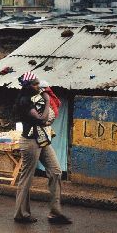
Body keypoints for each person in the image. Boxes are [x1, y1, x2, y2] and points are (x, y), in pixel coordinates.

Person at [13, 72, 71, 224]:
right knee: (27, 178)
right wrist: (46, 101)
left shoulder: (34, 96)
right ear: (27, 86)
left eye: (38, 83)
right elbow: (41, 118)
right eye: (35, 84)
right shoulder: (24, 101)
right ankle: (21, 214)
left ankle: (55, 213)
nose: (39, 86)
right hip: (30, 142)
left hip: (42, 139)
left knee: (56, 171)